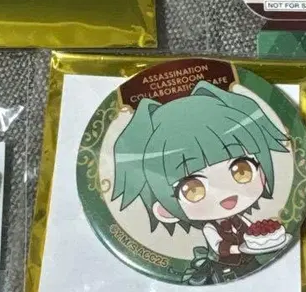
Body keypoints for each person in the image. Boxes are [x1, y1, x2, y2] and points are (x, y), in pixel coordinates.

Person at [111, 81, 291, 278]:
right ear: (165, 210)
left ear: (261, 172)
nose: (224, 191)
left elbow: (253, 233)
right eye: (193, 189)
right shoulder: (210, 228)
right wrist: (239, 249)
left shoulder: (240, 220)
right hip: (226, 269)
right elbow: (219, 247)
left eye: (242, 170)